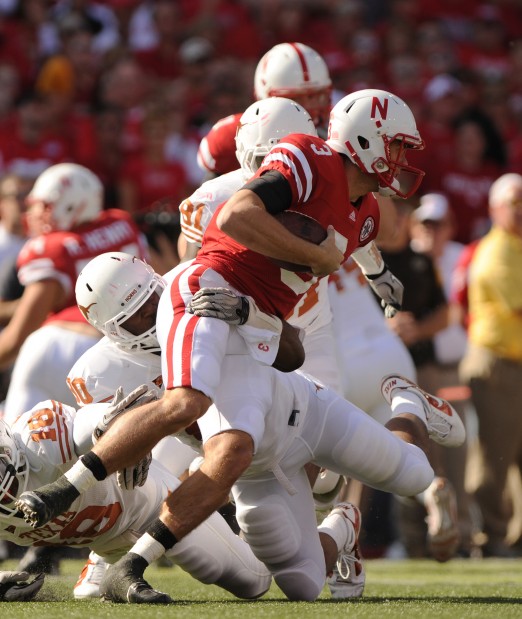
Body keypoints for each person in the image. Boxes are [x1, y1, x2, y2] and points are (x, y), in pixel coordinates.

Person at [14, 89, 458, 603]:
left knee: (304, 539)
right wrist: (317, 256)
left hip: (265, 332)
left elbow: (292, 347)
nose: (403, 160)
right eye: (397, 146)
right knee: (186, 405)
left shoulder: (367, 214)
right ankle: (74, 510)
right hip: (211, 294)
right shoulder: (307, 160)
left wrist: (373, 271)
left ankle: (384, 444)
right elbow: (236, 218)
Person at [0, 397, 271, 602]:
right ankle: (105, 558)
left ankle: (218, 475)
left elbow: (97, 420)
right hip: (106, 538)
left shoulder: (39, 440)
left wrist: (122, 432)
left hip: (157, 507)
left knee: (255, 581)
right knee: (89, 592)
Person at [1, 162, 148, 421]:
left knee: (18, 446)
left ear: (72, 205)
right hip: (120, 350)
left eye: (43, 206)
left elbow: (15, 339)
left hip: (56, 344)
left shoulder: (53, 249)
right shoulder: (121, 223)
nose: (33, 213)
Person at [459, 172, 522, 557]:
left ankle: (510, 537)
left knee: (512, 456)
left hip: (513, 361)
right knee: (493, 456)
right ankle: (491, 538)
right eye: (513, 203)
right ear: (495, 208)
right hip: (497, 364)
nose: (519, 210)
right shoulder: (497, 250)